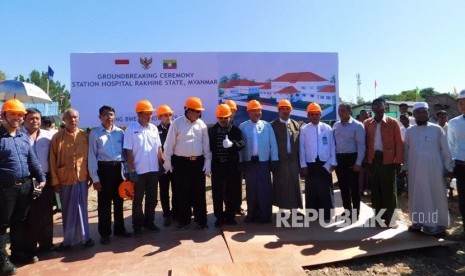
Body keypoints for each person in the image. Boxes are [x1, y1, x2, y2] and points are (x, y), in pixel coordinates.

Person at [0, 99, 45, 274]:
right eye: (13, 114)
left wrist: (41, 177)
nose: (17, 118)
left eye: (20, 115)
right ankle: (2, 261)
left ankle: (17, 253)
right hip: (5, 189)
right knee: (2, 225)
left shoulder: (23, 136)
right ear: (3, 115)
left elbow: (32, 159)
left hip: (25, 186)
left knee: (19, 222)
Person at [404, 102, 454, 237]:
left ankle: (435, 225)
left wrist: (449, 167)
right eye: (418, 112)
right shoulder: (409, 131)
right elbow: (406, 152)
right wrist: (405, 167)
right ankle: (418, 222)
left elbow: (445, 150)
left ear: (428, 113)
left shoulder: (437, 129)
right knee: (417, 194)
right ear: (414, 115)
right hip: (415, 170)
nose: (421, 114)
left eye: (424, 112)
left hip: (434, 170)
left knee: (434, 194)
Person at [163, 97, 211, 230]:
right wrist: (167, 160)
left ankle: (201, 221)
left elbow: (206, 145)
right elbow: (169, 144)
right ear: (188, 110)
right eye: (196, 111)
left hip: (198, 163)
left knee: (199, 193)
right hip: (181, 163)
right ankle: (184, 220)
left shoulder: (201, 125)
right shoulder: (177, 124)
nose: (198, 114)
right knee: (182, 192)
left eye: (199, 112)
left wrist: (208, 161)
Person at [50, 108, 94, 250]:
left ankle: (85, 238)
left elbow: (90, 158)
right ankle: (68, 241)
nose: (73, 120)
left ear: (79, 119)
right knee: (68, 210)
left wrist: (91, 175)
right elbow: (52, 160)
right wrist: (55, 181)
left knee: (82, 208)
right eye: (69, 117)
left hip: (81, 178)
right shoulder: (57, 137)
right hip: (65, 179)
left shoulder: (84, 135)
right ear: (64, 119)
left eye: (75, 117)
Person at [88, 105, 132, 245]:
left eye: (111, 114)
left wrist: (127, 173)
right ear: (100, 117)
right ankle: (105, 233)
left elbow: (125, 155)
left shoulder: (120, 132)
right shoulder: (95, 134)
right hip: (104, 170)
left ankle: (120, 229)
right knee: (104, 204)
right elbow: (92, 157)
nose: (109, 117)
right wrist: (95, 178)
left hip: (118, 169)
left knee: (119, 201)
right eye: (106, 115)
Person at [123, 100, 163, 236]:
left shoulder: (154, 128)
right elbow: (128, 152)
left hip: (153, 171)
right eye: (147, 114)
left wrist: (161, 164)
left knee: (152, 199)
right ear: (139, 114)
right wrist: (132, 171)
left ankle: (149, 222)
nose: (150, 116)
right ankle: (137, 226)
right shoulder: (131, 129)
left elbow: (159, 148)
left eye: (151, 113)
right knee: (138, 200)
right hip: (139, 172)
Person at [363, 98, 403, 228]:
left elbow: (399, 143)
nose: (378, 110)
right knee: (375, 190)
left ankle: (391, 220)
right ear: (373, 109)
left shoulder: (393, 123)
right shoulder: (367, 123)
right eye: (375, 108)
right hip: (373, 160)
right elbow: (364, 143)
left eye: (381, 108)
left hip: (388, 160)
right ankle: (378, 219)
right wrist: (366, 161)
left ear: (385, 108)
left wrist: (399, 161)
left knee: (389, 190)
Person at [21, 108, 55, 255]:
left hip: (45, 179)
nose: (35, 121)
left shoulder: (48, 136)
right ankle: (29, 247)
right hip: (27, 180)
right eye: (31, 118)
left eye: (37, 118)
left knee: (46, 213)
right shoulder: (18, 136)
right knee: (29, 215)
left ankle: (46, 244)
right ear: (24, 120)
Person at [239, 100, 278, 223]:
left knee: (265, 190)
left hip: (263, 163)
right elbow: (240, 147)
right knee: (251, 190)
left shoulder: (267, 126)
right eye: (254, 111)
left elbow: (273, 144)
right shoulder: (243, 126)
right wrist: (240, 161)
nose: (257, 113)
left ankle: (265, 215)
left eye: (259, 110)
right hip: (249, 163)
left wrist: (274, 159)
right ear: (248, 112)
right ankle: (252, 215)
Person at [208, 104, 245, 227]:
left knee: (231, 192)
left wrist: (232, 144)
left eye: (225, 117)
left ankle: (230, 216)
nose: (223, 120)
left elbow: (242, 144)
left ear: (230, 117)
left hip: (231, 167)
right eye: (220, 118)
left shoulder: (235, 130)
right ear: (217, 118)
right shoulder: (212, 131)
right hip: (218, 166)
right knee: (217, 193)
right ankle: (219, 217)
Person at [299, 102, 337, 222]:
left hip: (324, 163)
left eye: (317, 114)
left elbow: (332, 147)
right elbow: (302, 148)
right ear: (308, 116)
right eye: (312, 114)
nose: (314, 116)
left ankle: (327, 214)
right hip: (310, 164)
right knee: (311, 190)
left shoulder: (327, 128)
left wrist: (333, 162)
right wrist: (303, 164)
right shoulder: (304, 129)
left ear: (320, 115)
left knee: (325, 189)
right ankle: (312, 214)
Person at [333, 103, 365, 222]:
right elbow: (334, 144)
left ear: (349, 112)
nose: (340, 113)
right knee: (343, 187)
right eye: (339, 110)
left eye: (343, 110)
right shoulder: (336, 125)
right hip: (340, 160)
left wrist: (358, 163)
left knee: (354, 188)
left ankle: (355, 213)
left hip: (352, 159)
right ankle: (347, 211)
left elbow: (362, 145)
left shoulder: (357, 126)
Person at [270, 99, 302, 210]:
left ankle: (294, 209)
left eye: (287, 109)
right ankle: (282, 209)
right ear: (278, 111)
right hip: (280, 161)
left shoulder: (296, 124)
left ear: (291, 110)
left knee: (294, 185)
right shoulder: (272, 125)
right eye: (282, 109)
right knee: (281, 185)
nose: (285, 111)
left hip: (293, 161)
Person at [156, 104, 177, 226]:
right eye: (165, 115)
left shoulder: (176, 127)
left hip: (176, 165)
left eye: (170, 114)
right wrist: (162, 163)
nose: (168, 117)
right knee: (164, 191)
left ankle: (175, 212)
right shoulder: (155, 130)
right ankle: (166, 215)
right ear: (159, 117)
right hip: (162, 166)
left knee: (176, 190)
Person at [448, 89, 465, 233]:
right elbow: (451, 145)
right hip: (461, 167)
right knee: (463, 200)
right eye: (460, 103)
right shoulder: (453, 123)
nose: (463, 105)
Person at [225, 99, 245, 215]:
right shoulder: (220, 123)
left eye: (232, 110)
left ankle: (237, 206)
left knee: (237, 184)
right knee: (225, 187)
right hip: (223, 162)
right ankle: (228, 208)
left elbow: (242, 143)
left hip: (237, 160)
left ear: (235, 111)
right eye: (228, 109)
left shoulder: (239, 125)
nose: (230, 112)